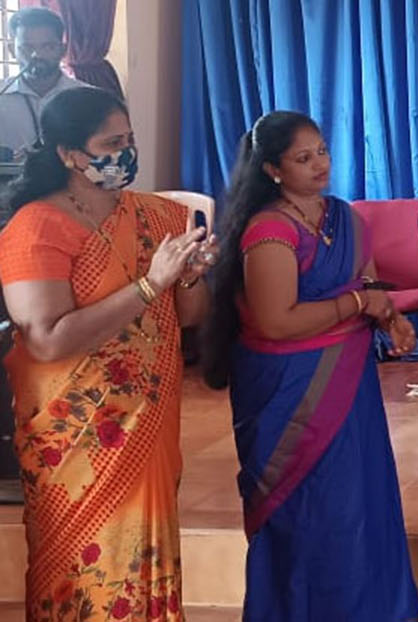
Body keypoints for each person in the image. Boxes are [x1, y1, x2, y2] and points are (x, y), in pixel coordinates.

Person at [0, 86, 216, 620]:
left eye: (129, 139)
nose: (126, 153)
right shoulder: (34, 227)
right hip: (74, 438)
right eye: (111, 143)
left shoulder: (160, 216)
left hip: (147, 424)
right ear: (69, 154)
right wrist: (151, 284)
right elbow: (47, 338)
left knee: (143, 560)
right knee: (78, 570)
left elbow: (190, 316)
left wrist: (188, 278)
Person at [199, 111, 418, 621]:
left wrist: (391, 320)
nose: (320, 164)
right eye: (303, 158)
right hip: (289, 395)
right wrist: (358, 306)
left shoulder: (345, 219)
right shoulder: (269, 231)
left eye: (321, 151)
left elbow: (369, 286)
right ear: (273, 170)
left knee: (360, 504)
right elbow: (277, 322)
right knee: (308, 514)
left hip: (351, 392)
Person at [0, 8, 89, 162]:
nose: (37, 55)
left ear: (63, 50)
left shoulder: (89, 99)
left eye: (48, 47)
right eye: (27, 48)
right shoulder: (2, 94)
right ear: (12, 50)